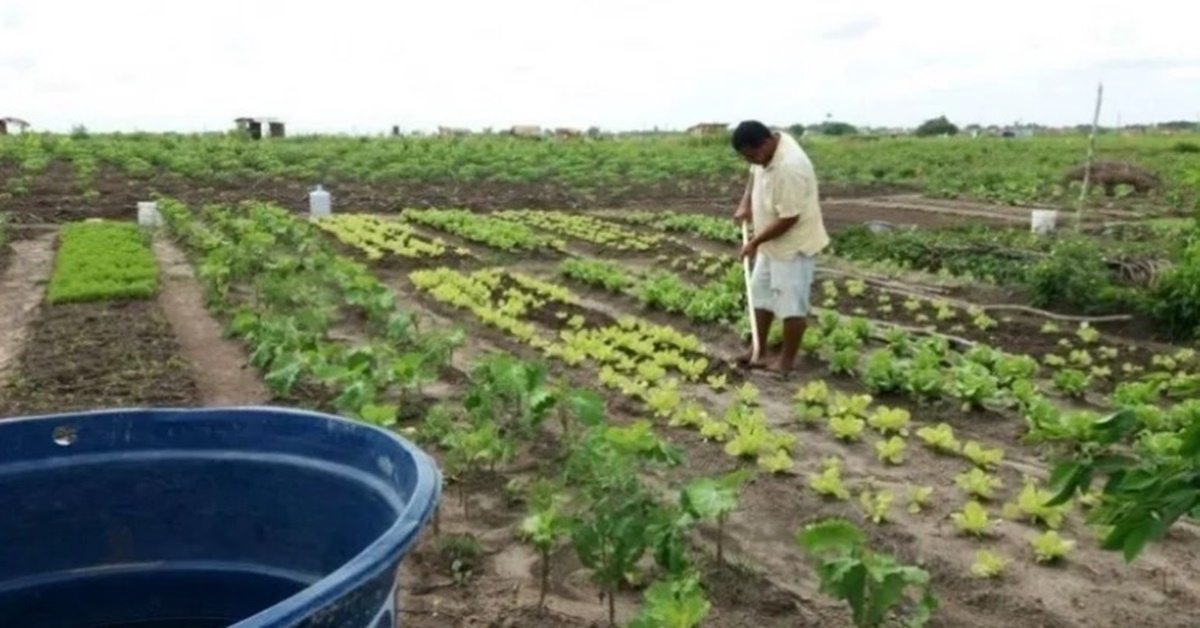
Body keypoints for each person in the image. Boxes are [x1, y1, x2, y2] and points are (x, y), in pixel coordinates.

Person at [731, 120, 829, 376]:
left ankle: (785, 363)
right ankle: (759, 351)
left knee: (790, 305)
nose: (753, 162)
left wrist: (754, 242)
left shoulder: (790, 167)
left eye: (753, 156)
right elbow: (754, 174)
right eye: (746, 158)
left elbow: (789, 218)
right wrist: (746, 204)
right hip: (771, 242)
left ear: (765, 143)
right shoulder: (767, 150)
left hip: (793, 245)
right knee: (759, 294)